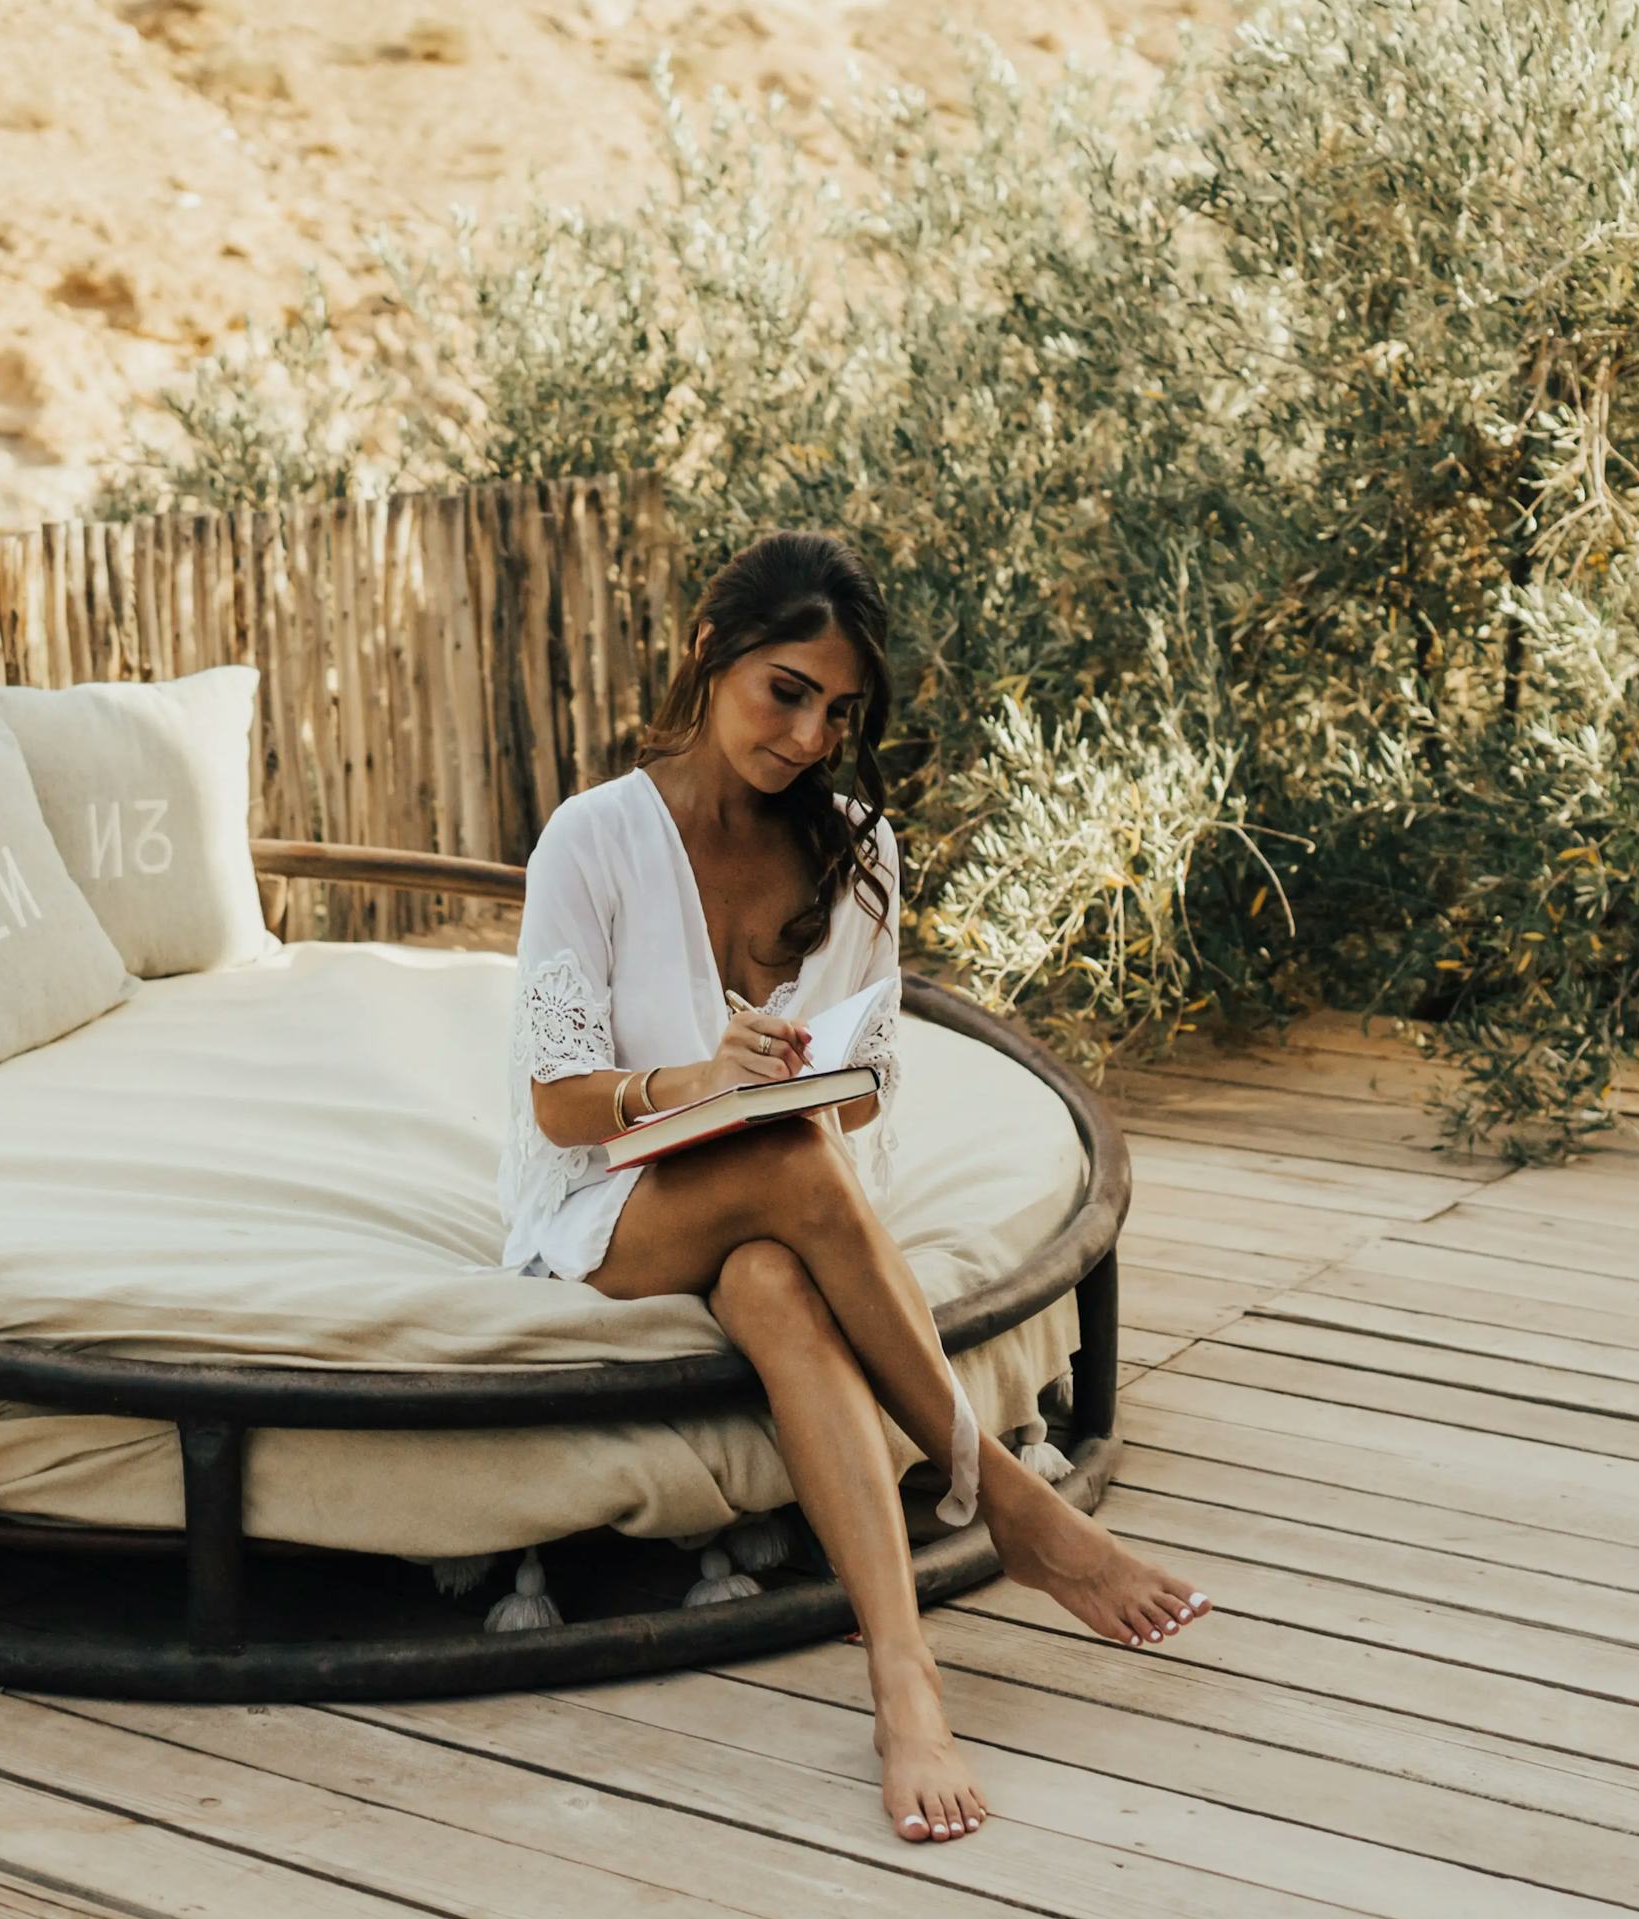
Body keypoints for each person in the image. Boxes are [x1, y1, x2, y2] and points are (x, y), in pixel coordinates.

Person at [501, 527, 1208, 1845]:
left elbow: (869, 1087)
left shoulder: (856, 848)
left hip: (799, 1189)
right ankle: (1009, 1503)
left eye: (841, 712)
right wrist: (699, 1083)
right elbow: (557, 1103)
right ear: (712, 654)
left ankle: (905, 1683)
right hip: (612, 1207)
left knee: (776, 1279)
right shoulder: (590, 842)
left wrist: (797, 1076)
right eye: (789, 692)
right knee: (779, 1155)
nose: (813, 734)